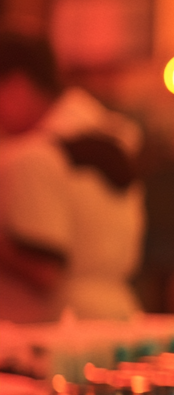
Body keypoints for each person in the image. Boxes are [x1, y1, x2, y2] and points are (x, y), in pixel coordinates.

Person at [0, 32, 144, 322]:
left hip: (55, 329)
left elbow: (44, 270)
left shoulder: (37, 156)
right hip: (117, 315)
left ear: (18, 85)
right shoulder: (108, 139)